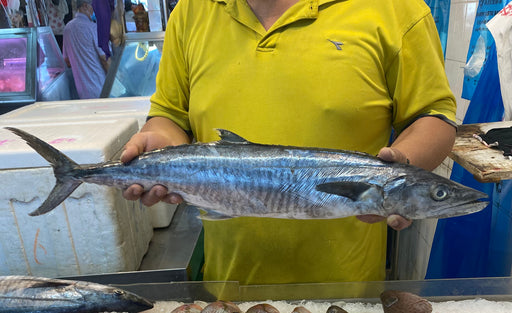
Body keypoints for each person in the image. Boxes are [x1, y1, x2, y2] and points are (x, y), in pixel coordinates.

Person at [121, 0, 457, 286]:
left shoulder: (396, 9)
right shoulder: (192, 10)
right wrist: (160, 142)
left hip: (345, 290)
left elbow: (434, 119)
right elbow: (170, 115)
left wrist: (398, 174)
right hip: (228, 285)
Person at [63, 0, 108, 99]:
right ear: (85, 6)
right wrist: (115, 78)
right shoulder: (93, 28)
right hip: (100, 86)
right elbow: (104, 59)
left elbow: (67, 61)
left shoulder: (67, 28)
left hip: (82, 90)